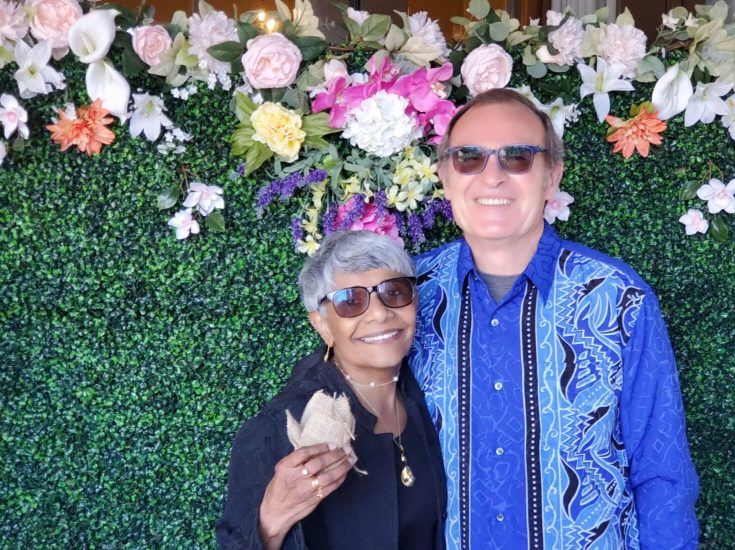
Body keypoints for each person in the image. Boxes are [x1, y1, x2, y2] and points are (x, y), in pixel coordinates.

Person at [409, 88, 699, 549]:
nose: (492, 177)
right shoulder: (404, 296)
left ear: (551, 176)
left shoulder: (617, 297)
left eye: (518, 157)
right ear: (445, 176)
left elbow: (661, 471)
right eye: (468, 158)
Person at [216, 230, 447, 549]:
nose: (379, 313)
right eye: (351, 301)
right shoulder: (277, 430)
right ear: (322, 325)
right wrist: (271, 521)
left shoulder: (433, 393)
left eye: (394, 292)